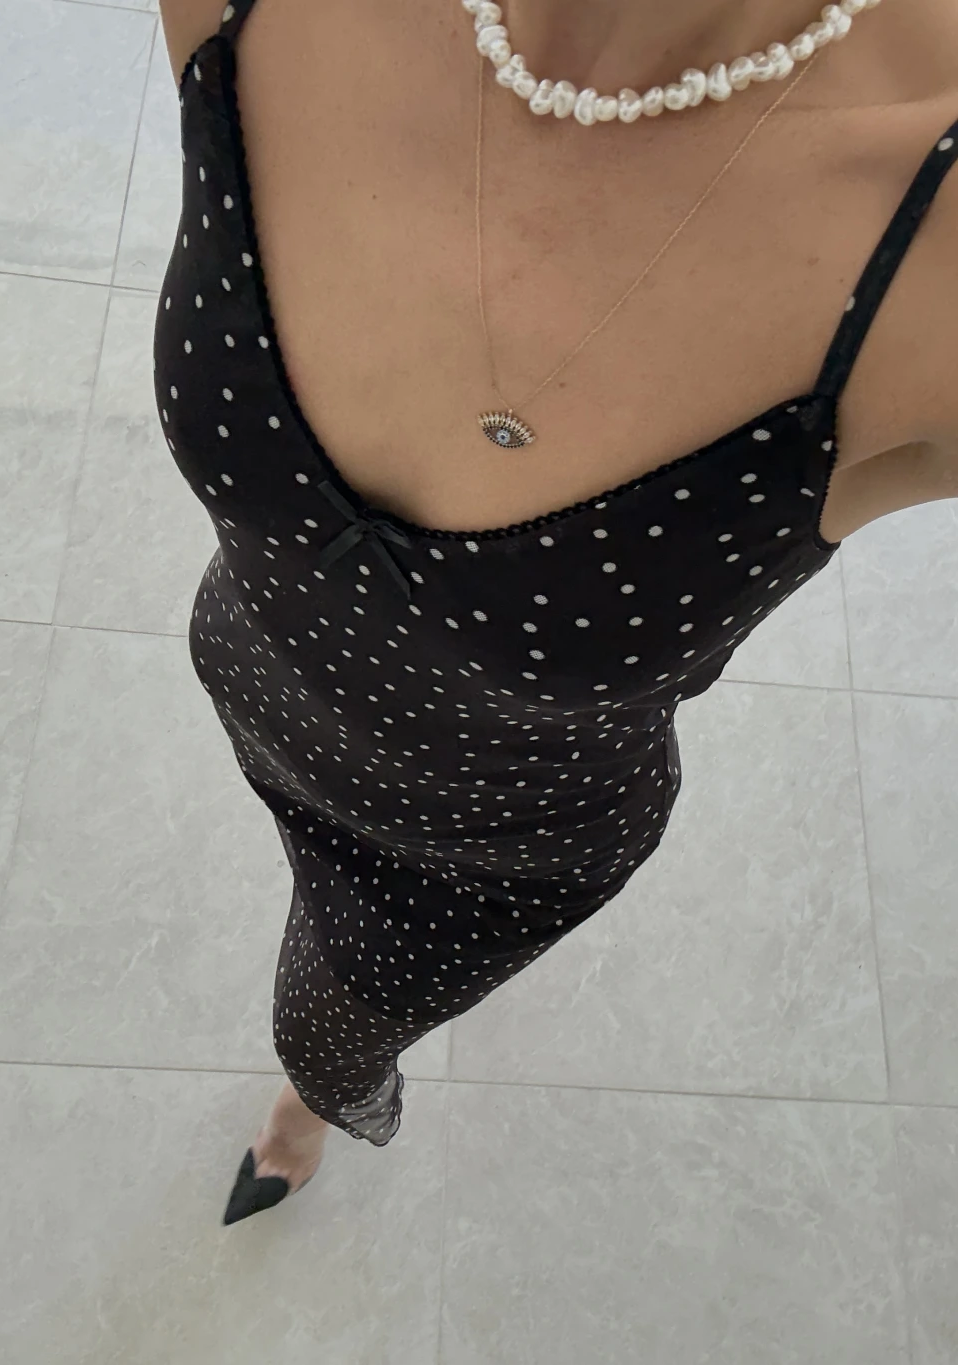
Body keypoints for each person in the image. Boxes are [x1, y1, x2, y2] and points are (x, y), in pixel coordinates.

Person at [155, 0, 958, 1225]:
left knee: (338, 1013)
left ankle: (309, 1105)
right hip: (256, 679)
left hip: (493, 844)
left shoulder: (930, 246)